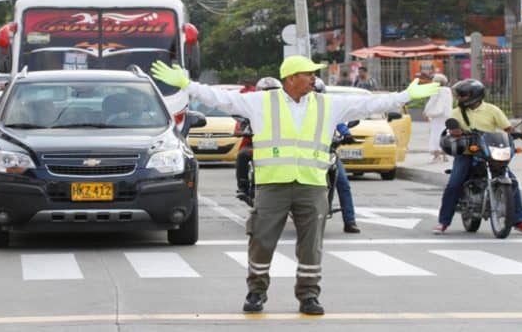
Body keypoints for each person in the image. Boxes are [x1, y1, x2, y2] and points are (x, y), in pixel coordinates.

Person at [150, 55, 439, 315]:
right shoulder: (261, 101)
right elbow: (219, 98)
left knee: (311, 244)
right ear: (290, 78)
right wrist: (187, 85)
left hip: (312, 186)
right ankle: (256, 292)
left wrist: (406, 95)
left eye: (314, 74)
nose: (313, 78)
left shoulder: (329, 104)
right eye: (308, 73)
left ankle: (309, 296)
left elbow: (371, 103)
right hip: (272, 186)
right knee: (261, 241)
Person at [433, 78, 522, 235]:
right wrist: (455, 132)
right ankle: (443, 222)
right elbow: (451, 129)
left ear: (475, 95)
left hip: (490, 152)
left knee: (512, 182)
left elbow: (507, 128)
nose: (460, 99)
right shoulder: (456, 113)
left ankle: (519, 221)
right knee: (454, 184)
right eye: (459, 95)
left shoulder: (492, 110)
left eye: (463, 95)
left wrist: (517, 133)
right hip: (468, 153)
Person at [314, 78, 360, 234]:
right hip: (307, 156)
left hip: (328, 152)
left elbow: (340, 123)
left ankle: (350, 221)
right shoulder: (299, 112)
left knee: (343, 183)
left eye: (319, 95)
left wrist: (347, 135)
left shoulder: (329, 111)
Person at [236, 76, 282, 203]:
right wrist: (243, 131)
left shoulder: (285, 109)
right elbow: (241, 125)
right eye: (266, 92)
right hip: (255, 145)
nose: (270, 95)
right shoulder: (251, 108)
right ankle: (243, 186)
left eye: (274, 92)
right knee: (242, 155)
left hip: (279, 147)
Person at [423, 73, 453, 162]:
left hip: (437, 116)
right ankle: (444, 155)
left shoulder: (436, 90)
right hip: (446, 115)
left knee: (435, 134)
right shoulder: (448, 91)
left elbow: (432, 102)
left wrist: (426, 111)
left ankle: (436, 155)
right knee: (445, 134)